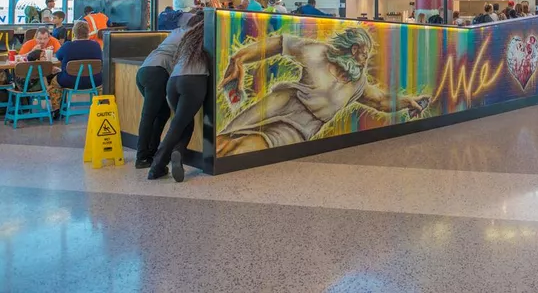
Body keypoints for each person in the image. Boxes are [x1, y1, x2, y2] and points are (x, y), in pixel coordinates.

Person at [216, 27, 430, 156]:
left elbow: (381, 101)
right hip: (278, 104)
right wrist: (239, 58)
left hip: (299, 129)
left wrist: (408, 101)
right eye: (365, 55)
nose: (365, 61)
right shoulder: (318, 52)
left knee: (247, 147)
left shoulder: (357, 84)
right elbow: (279, 43)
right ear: (354, 50)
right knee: (224, 142)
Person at [136, 13, 203, 169]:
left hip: (145, 70)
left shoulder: (178, 31)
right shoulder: (191, 35)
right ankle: (142, 157)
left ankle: (151, 152)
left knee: (162, 113)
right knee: (150, 115)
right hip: (158, 72)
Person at [149, 14, 209, 183]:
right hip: (193, 81)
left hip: (173, 81)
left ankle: (178, 153)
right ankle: (157, 166)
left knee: (185, 123)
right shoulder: (209, 35)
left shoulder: (188, 37)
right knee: (177, 125)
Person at [54, 20, 103, 91]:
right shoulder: (96, 45)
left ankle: (60, 101)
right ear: (88, 32)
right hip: (95, 81)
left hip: (70, 81)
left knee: (53, 82)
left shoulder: (67, 46)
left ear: (74, 33)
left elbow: (58, 56)